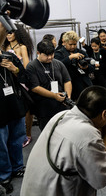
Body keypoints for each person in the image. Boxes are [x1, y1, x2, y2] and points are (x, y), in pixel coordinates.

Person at [20, 86, 106, 196]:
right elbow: (103, 178)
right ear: (104, 114)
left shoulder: (61, 115)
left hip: (34, 189)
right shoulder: (87, 135)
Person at [26, 40, 72, 130]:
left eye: (52, 54)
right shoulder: (32, 66)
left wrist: (68, 96)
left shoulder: (58, 63)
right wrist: (54, 96)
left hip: (61, 103)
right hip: (44, 106)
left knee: (64, 130)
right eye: (47, 55)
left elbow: (67, 81)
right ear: (38, 53)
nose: (50, 57)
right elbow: (35, 88)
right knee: (48, 132)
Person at [0, 50, 27, 194]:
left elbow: (24, 76)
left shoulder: (10, 56)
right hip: (0, 108)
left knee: (17, 138)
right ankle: (4, 174)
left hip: (15, 104)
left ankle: (17, 167)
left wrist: (14, 69)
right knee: (1, 143)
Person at [3, 25, 34, 147]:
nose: (9, 35)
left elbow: (26, 66)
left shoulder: (22, 47)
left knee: (26, 108)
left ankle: (28, 134)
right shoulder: (4, 47)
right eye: (7, 33)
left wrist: (16, 68)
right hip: (8, 80)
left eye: (11, 32)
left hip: (21, 79)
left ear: (16, 33)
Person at [55, 31, 94, 100]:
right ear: (64, 43)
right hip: (69, 85)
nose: (73, 46)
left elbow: (91, 67)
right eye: (70, 44)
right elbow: (58, 66)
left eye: (75, 44)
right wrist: (70, 57)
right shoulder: (58, 53)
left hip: (84, 84)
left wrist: (86, 67)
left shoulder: (81, 52)